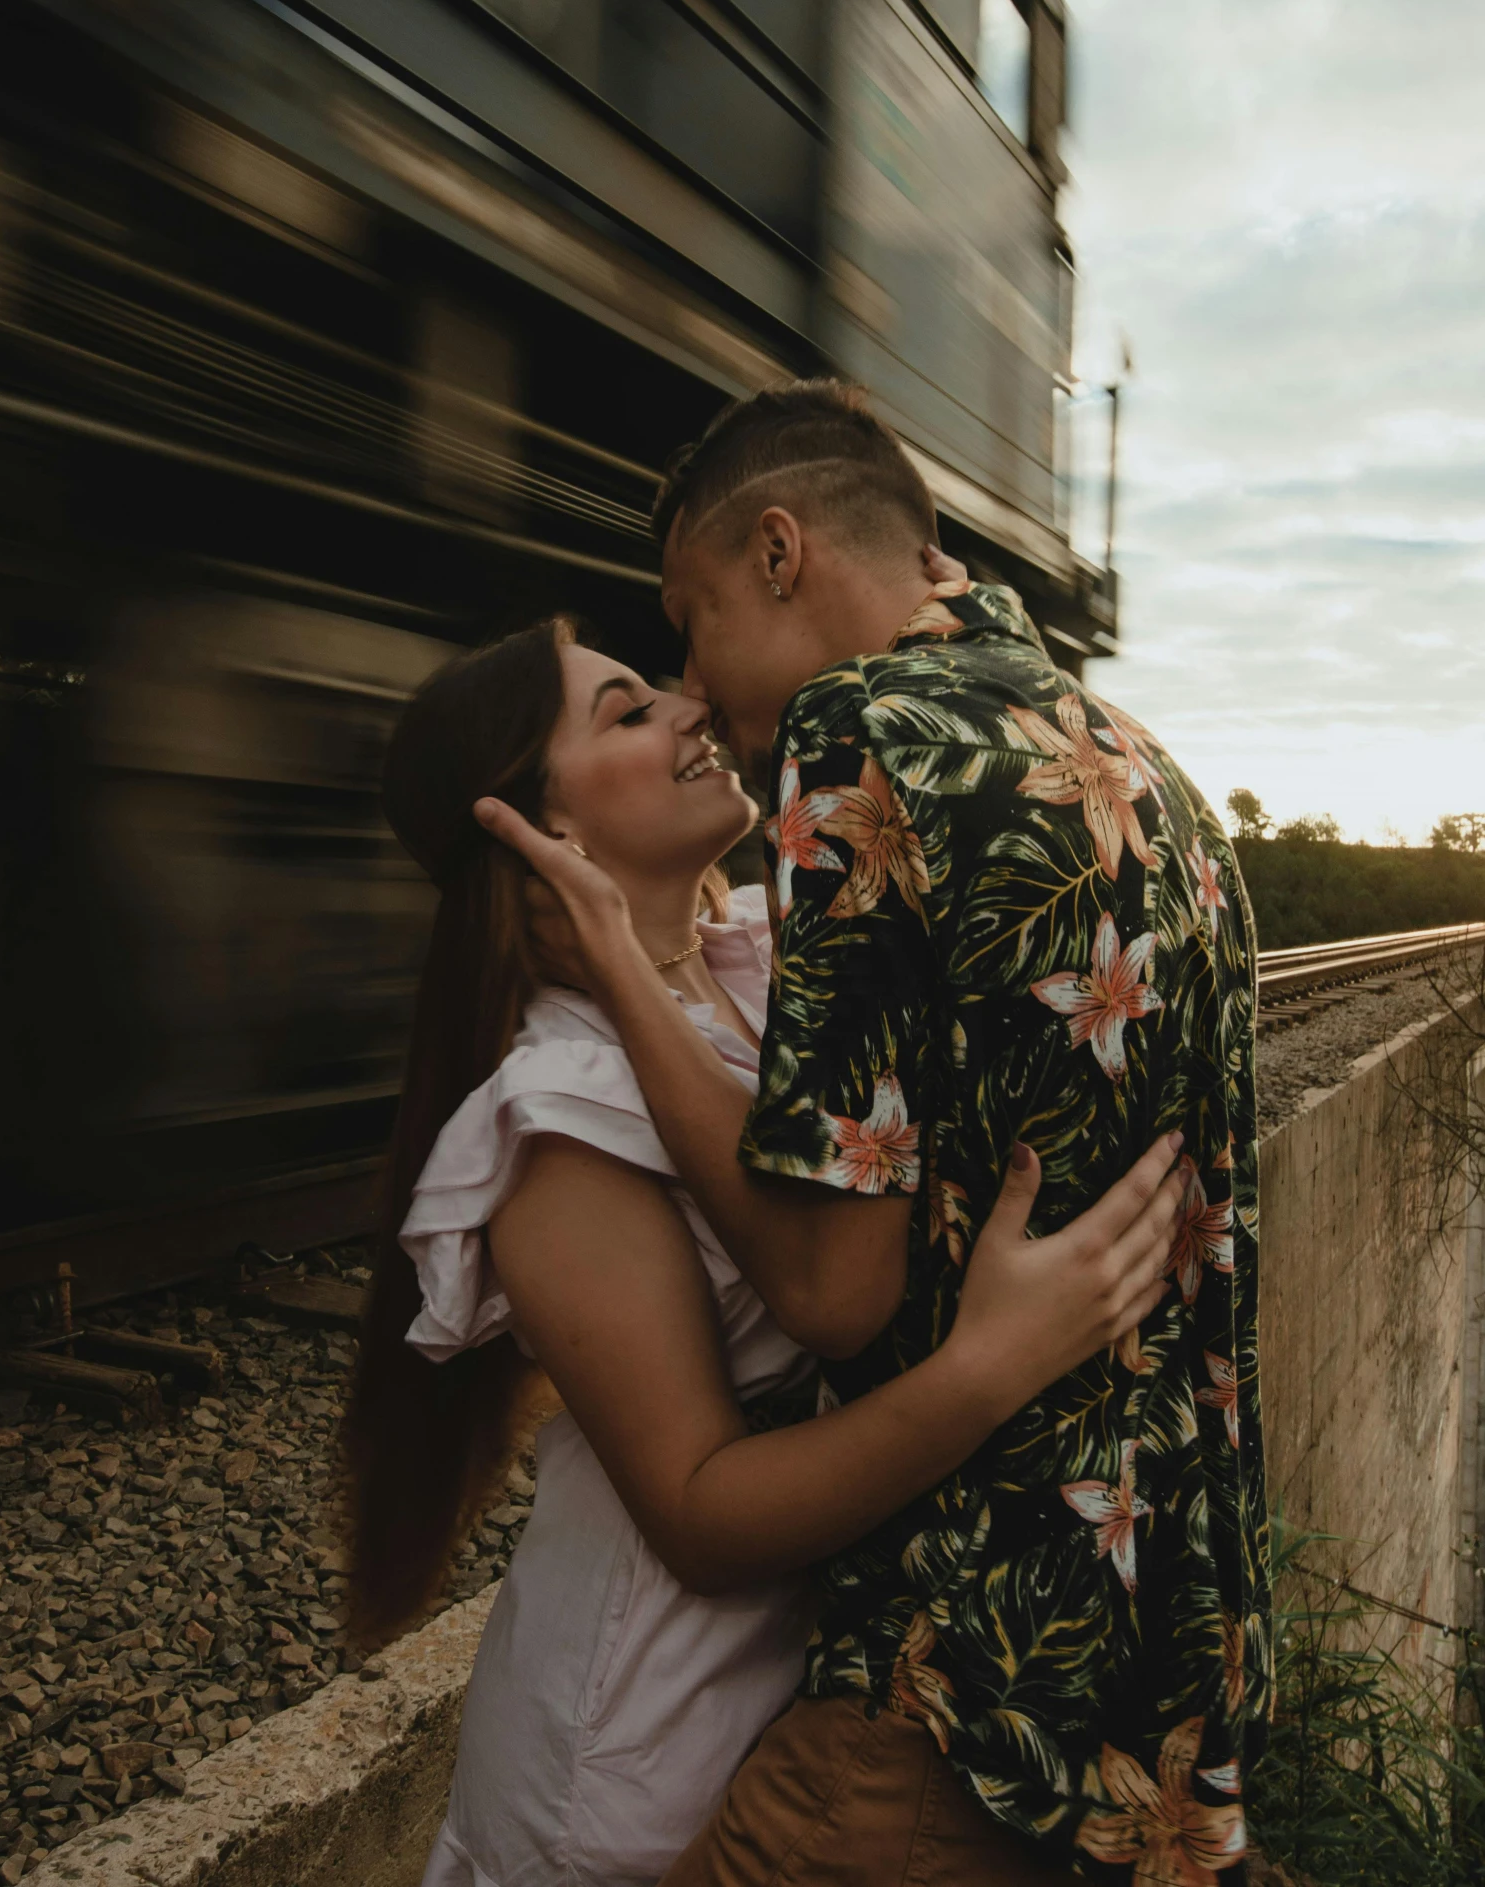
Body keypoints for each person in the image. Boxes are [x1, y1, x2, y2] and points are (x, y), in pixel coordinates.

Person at [478, 381, 1271, 1885]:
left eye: (690, 620)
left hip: (947, 1700)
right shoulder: (1135, 757)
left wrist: (610, 969)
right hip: (1160, 1685)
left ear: (779, 552)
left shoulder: (858, 735)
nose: (696, 691)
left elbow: (832, 1289)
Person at [343, 615, 1189, 1887]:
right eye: (626, 710)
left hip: (790, 1704)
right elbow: (697, 1513)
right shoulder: (554, 1121)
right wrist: (992, 1362)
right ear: (540, 830)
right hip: (637, 1766)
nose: (688, 706)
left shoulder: (750, 964)